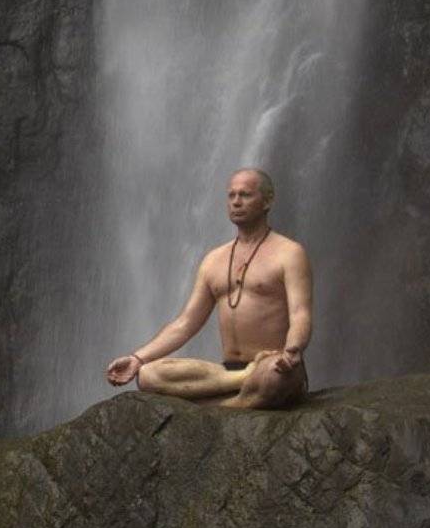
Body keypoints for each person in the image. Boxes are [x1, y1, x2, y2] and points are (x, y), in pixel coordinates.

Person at [104, 168, 312, 408]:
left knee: (273, 377)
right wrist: (137, 358)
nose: (236, 202)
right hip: (225, 373)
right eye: (231, 195)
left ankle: (216, 406)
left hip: (275, 363)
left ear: (267, 201)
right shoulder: (214, 260)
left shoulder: (289, 253)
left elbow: (300, 313)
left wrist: (293, 348)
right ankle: (241, 388)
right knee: (148, 375)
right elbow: (185, 324)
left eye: (245, 195)